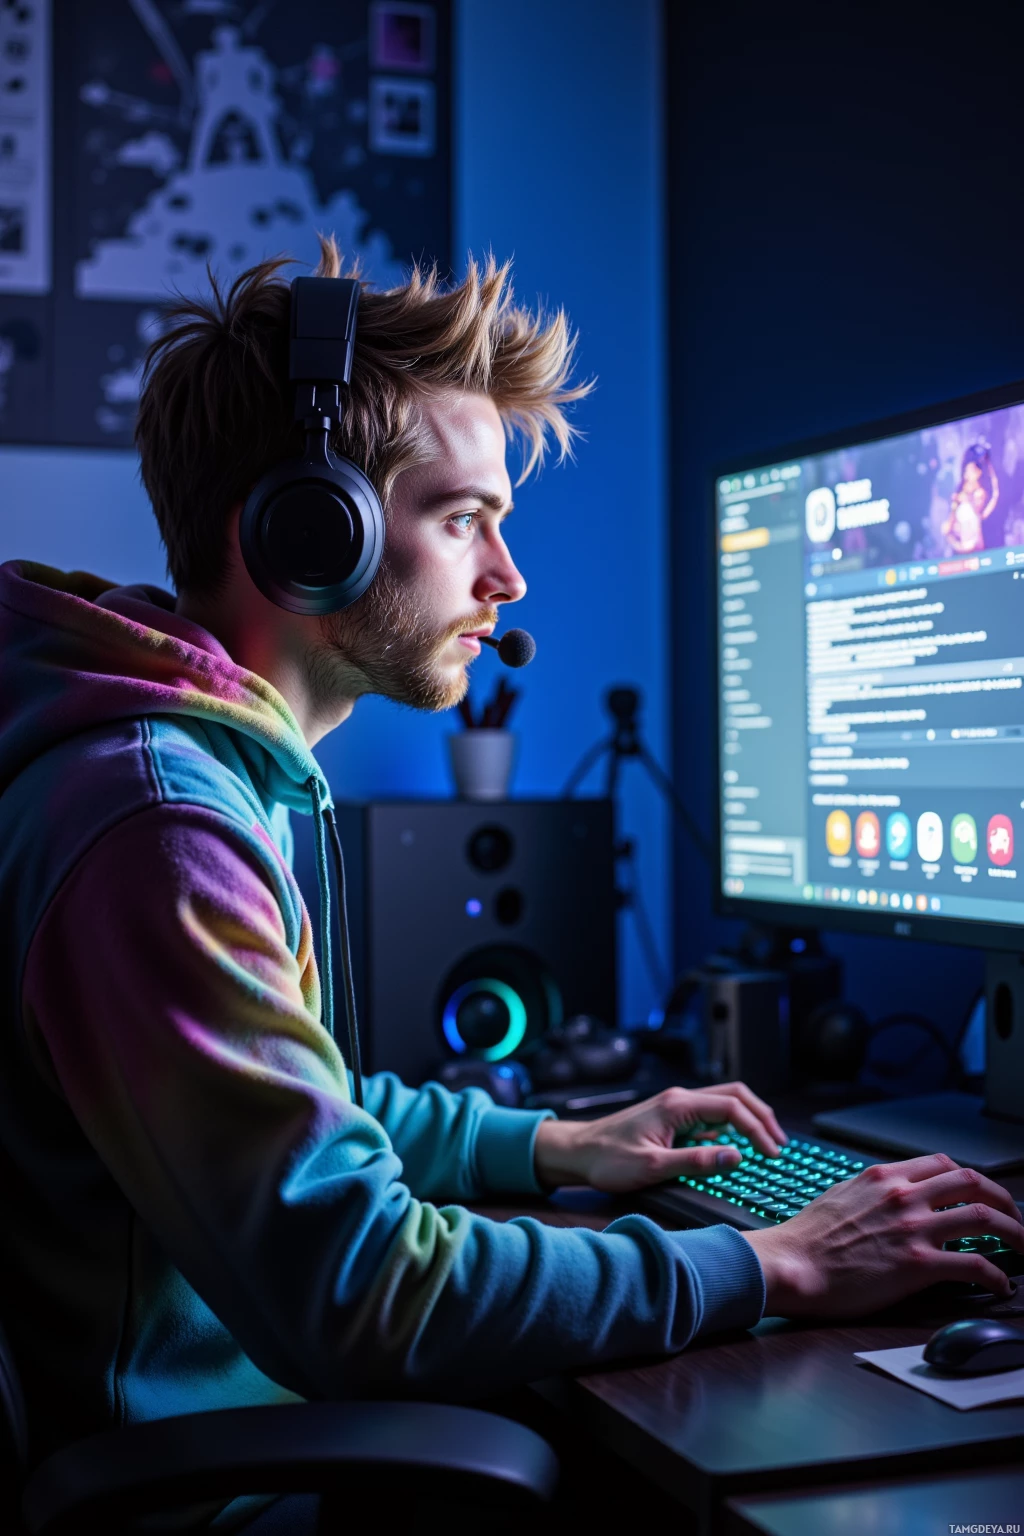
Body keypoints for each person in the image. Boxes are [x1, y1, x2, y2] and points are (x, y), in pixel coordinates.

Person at [1, 242, 1021, 1530]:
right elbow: (361, 1286)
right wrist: (775, 1261)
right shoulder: (159, 827)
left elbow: (285, 1111)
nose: (508, 579)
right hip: (216, 1496)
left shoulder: (179, 772)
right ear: (310, 531)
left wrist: (549, 1143)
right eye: (463, 517)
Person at [942, 440, 1000, 553]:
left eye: (972, 470)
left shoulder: (980, 495)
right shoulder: (958, 500)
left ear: (979, 473)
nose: (968, 475)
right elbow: (948, 528)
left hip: (981, 553)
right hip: (961, 554)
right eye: (966, 471)